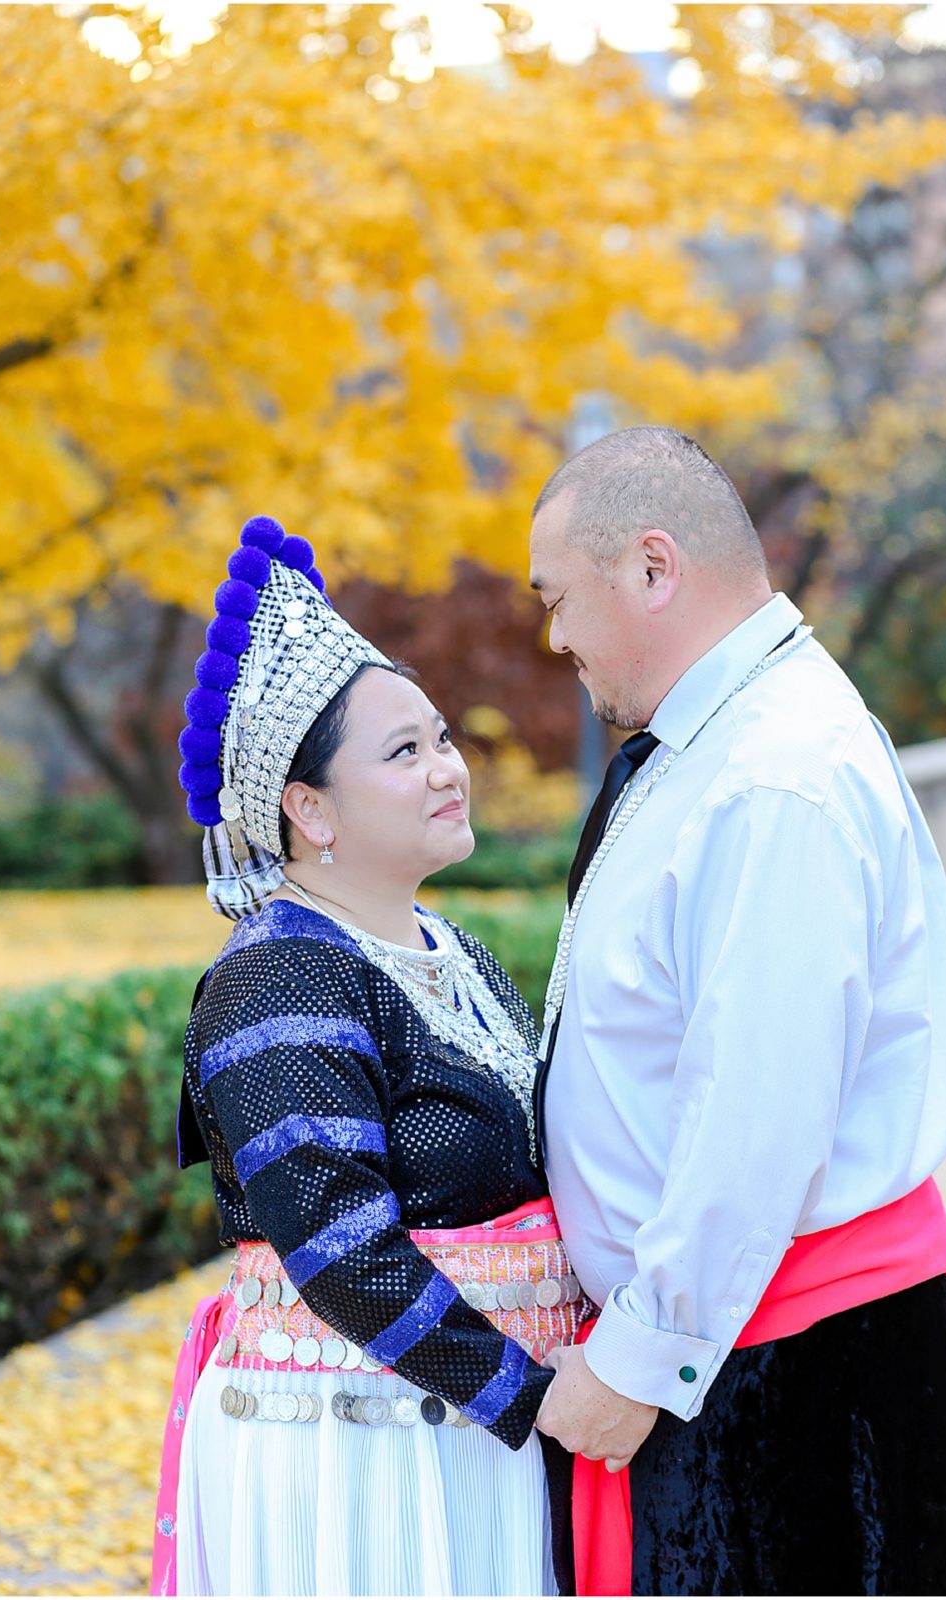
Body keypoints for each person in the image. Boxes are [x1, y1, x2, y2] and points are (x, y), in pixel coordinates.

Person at [528, 426, 946, 1597]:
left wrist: (639, 1359)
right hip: (740, 1346)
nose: (554, 636)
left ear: (650, 567)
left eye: (559, 597)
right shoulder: (719, 746)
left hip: (782, 1367)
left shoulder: (775, 771)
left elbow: (760, 1107)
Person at [151, 515, 585, 1598]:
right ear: (308, 809)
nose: (449, 770)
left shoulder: (451, 946)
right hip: (356, 1452)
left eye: (441, 738)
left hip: (474, 1432)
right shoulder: (279, 977)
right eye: (404, 752)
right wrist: (534, 1398)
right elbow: (340, 1241)